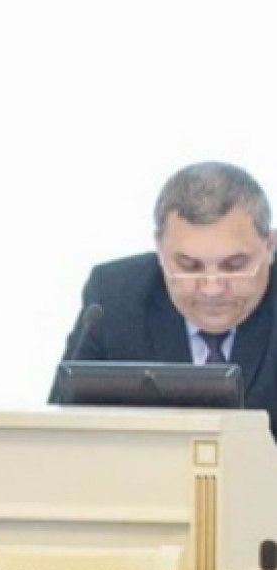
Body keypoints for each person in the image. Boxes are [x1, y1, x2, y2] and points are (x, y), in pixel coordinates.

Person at [61, 161, 277, 433]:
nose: (212, 288)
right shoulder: (115, 297)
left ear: (270, 246)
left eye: (234, 266)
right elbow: (61, 430)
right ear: (160, 250)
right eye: (189, 266)